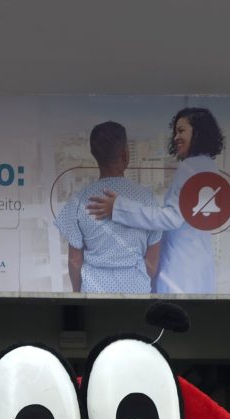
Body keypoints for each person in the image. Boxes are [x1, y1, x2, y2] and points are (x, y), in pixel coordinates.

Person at [88, 106, 225, 294]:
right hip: (198, 264)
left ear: (198, 132)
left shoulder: (190, 168)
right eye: (175, 132)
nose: (176, 137)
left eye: (181, 131)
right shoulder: (209, 166)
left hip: (180, 268)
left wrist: (119, 207)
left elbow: (171, 218)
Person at [54, 121, 162, 293]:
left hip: (94, 296)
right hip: (136, 294)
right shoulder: (147, 199)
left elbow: (75, 261)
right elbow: (152, 262)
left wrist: (78, 293)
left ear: (94, 154)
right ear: (125, 154)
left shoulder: (78, 201)